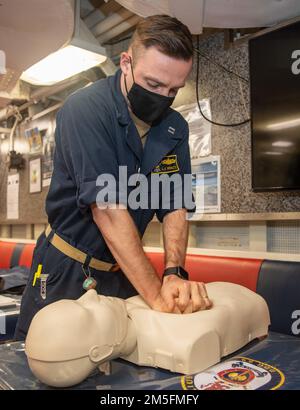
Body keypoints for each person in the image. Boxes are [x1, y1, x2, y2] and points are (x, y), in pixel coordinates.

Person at [15, 15, 212, 341]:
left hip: (123, 271)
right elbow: (107, 208)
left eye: (174, 89)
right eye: (153, 84)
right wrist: (159, 300)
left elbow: (174, 203)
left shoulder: (174, 128)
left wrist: (173, 273)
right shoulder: (86, 110)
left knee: (119, 367)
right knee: (46, 360)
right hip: (66, 269)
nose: (163, 97)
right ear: (126, 63)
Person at [25, 284, 270, 388]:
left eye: (79, 300)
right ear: (99, 353)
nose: (90, 295)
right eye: (89, 311)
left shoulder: (131, 308)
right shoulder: (182, 340)